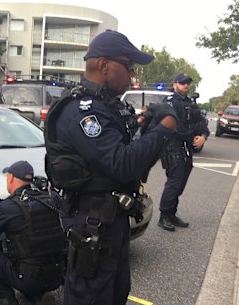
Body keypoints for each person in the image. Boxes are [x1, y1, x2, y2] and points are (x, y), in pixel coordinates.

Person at [44, 29, 178, 305]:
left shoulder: (109, 108)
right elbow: (121, 163)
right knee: (90, 298)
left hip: (112, 220)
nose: (132, 76)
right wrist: (163, 131)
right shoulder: (82, 111)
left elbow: (135, 167)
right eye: (128, 67)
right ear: (104, 66)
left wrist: (148, 130)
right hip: (91, 223)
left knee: (116, 292)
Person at [0, 160, 65, 305]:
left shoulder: (9, 206)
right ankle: (37, 296)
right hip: (56, 276)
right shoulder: (51, 199)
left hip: (29, 278)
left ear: (11, 178)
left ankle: (6, 298)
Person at [157, 73, 209, 231]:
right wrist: (192, 136)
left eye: (187, 83)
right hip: (172, 147)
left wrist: (203, 136)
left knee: (180, 184)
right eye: (182, 83)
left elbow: (201, 123)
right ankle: (164, 216)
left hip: (186, 148)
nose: (185, 85)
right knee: (174, 183)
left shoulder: (191, 103)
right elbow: (173, 127)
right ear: (175, 85)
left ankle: (172, 213)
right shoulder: (170, 103)